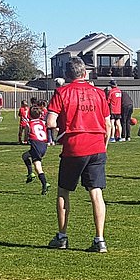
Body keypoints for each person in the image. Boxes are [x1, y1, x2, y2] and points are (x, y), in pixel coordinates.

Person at [46, 57, 111, 253]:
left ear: (66, 75)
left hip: (74, 147)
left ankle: (62, 236)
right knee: (96, 193)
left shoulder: (62, 92)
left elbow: (50, 122)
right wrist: (104, 146)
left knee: (64, 191)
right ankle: (100, 239)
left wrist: (61, 134)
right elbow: (108, 124)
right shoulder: (99, 94)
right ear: (85, 73)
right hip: (97, 146)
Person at [22, 105, 51, 196]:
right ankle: (31, 174)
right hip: (43, 145)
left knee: (37, 166)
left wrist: (25, 140)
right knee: (25, 156)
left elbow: (26, 134)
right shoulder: (42, 122)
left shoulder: (29, 124)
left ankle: (44, 182)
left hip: (36, 145)